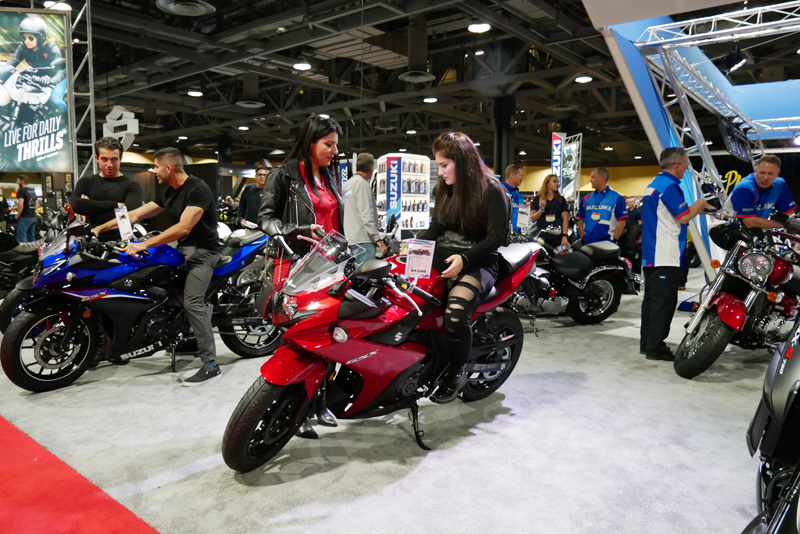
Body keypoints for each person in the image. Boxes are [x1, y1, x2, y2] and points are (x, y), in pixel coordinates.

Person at [92, 148, 222, 385]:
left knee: (192, 301)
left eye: (156, 167)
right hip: (183, 250)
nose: (153, 171)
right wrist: (99, 229)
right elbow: (135, 215)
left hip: (204, 252)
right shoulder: (169, 191)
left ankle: (210, 364)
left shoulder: (197, 189)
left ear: (168, 168)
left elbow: (184, 227)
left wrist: (145, 244)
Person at [258, 114, 345, 439]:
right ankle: (295, 407)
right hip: (297, 266)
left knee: (332, 336)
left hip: (331, 268)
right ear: (311, 142)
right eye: (329, 144)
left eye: (336, 145)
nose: (334, 151)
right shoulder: (284, 175)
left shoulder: (331, 176)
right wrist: (295, 230)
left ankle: (319, 400)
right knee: (300, 340)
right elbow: (265, 219)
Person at [418, 132, 510, 404]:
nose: (441, 171)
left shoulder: (492, 189)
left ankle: (457, 371)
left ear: (462, 161)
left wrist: (465, 260)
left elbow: (497, 238)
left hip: (478, 262)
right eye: (438, 165)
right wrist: (411, 246)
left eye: (444, 165)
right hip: (442, 259)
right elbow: (436, 228)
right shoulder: (444, 188)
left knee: (455, 315)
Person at [640, 147, 715, 361]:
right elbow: (683, 217)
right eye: (686, 165)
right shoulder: (670, 185)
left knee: (652, 303)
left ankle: (647, 344)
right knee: (663, 303)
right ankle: (656, 348)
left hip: (653, 254)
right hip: (666, 254)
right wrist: (700, 203)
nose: (686, 169)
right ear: (676, 165)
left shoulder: (654, 184)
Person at [70, 137, 143, 240]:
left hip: (122, 242)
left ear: (120, 159)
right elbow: (76, 206)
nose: (109, 165)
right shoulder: (86, 182)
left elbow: (130, 216)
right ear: (97, 158)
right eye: (104, 159)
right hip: (91, 240)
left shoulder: (132, 185)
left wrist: (90, 207)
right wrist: (116, 205)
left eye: (114, 159)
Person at [0, 16, 67, 111]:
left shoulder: (51, 48)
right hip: (39, 77)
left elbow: (60, 69)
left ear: (40, 37)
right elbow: (12, 64)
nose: (26, 41)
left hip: (58, 77)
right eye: (24, 37)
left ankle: (67, 117)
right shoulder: (23, 47)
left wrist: (51, 81)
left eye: (30, 38)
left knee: (55, 100)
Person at [725, 155, 796, 227]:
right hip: (728, 230)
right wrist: (787, 225)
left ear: (778, 173)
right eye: (762, 173)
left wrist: (793, 227)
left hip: (755, 232)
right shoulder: (744, 187)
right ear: (755, 170)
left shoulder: (780, 184)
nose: (765, 177)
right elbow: (750, 223)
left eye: (770, 174)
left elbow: (788, 214)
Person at [343, 153, 386, 263]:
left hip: (352, 239)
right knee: (366, 277)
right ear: (371, 167)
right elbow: (366, 214)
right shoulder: (362, 184)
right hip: (364, 240)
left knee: (357, 276)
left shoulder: (348, 183)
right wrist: (377, 239)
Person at [577, 168, 628, 245]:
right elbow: (581, 220)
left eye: (593, 177)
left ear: (602, 177)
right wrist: (582, 238)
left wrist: (614, 240)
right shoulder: (586, 198)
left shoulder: (617, 198)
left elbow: (622, 221)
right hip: (587, 242)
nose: (590, 180)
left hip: (607, 242)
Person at [530, 173, 569, 250]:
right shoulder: (537, 199)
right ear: (547, 183)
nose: (557, 184)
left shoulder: (561, 199)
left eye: (558, 182)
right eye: (554, 181)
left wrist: (564, 236)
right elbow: (533, 218)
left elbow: (565, 219)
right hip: (542, 237)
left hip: (558, 236)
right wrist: (541, 210)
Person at [503, 164, 527, 231]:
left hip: (519, 235)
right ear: (512, 175)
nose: (523, 178)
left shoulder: (518, 194)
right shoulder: (502, 192)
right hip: (506, 234)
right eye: (521, 175)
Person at [14, 175, 37, 243]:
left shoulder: (21, 190)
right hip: (33, 217)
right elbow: (37, 204)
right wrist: (32, 211)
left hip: (25, 217)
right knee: (31, 236)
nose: (17, 182)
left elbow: (21, 204)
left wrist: (18, 215)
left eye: (18, 180)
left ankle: (25, 252)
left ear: (22, 181)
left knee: (20, 237)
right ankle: (34, 252)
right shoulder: (32, 191)